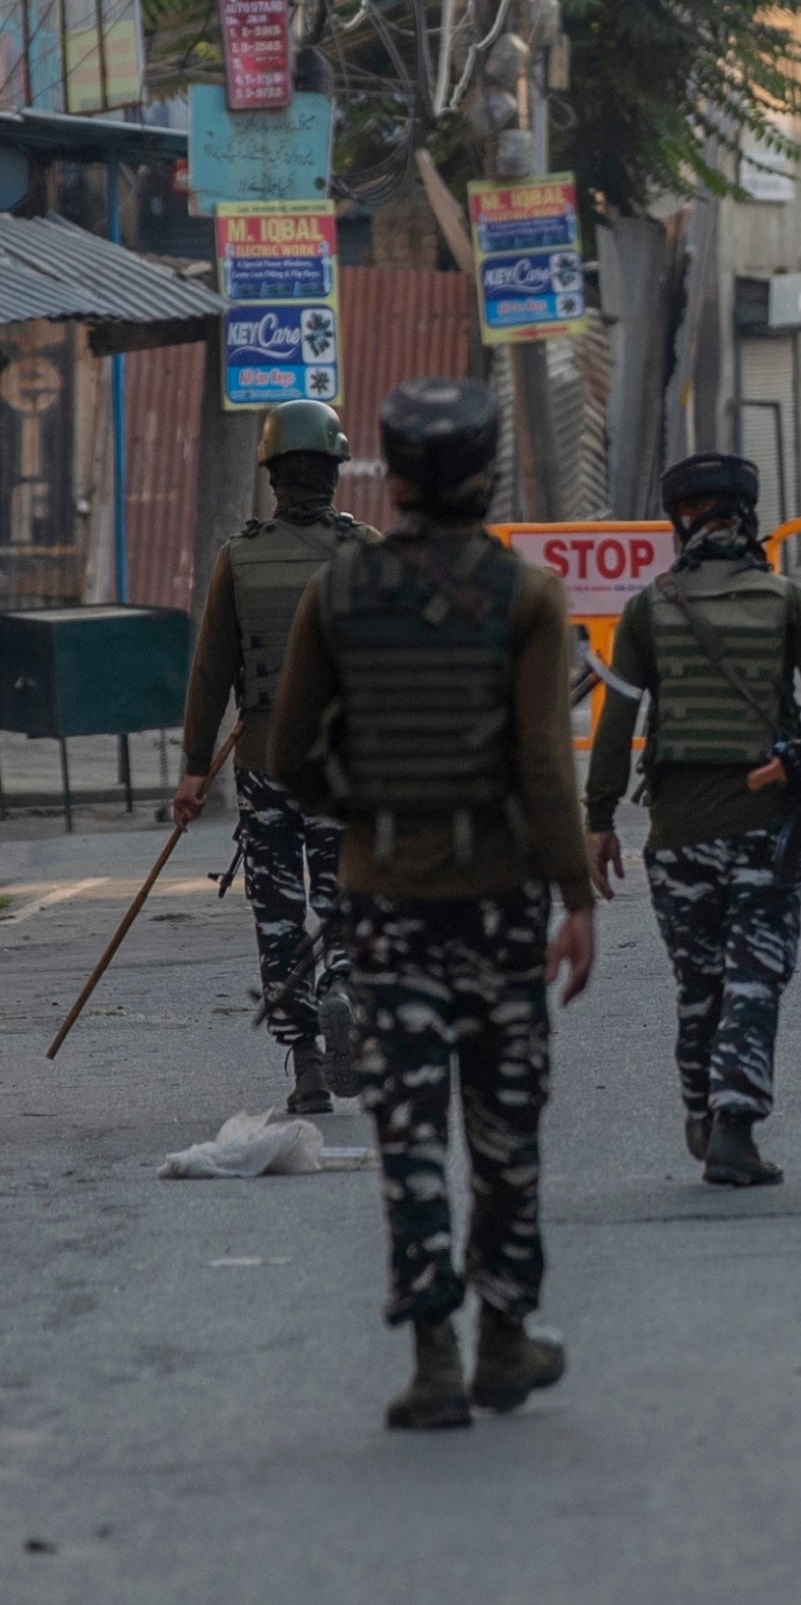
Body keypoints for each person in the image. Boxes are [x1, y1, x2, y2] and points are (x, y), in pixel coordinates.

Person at [270, 377, 597, 1431]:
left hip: (384, 910)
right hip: (500, 909)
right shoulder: (528, 594)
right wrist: (576, 897)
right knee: (504, 1128)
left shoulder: (342, 591)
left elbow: (290, 756)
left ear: (397, 475)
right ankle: (506, 1335)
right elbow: (548, 768)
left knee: (410, 1129)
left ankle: (434, 1355)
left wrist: (365, 821)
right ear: (487, 472)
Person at [583, 453, 801, 1188]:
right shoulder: (784, 599)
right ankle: (733, 1126)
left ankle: (703, 1108)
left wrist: (598, 819)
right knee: (753, 978)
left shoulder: (648, 606)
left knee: (700, 985)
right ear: (749, 519)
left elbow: (617, 719)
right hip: (767, 830)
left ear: (679, 522)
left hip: (676, 836)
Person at [172, 401, 379, 1114]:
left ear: (271, 475)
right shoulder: (368, 552)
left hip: (262, 762)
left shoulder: (240, 556)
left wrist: (194, 769)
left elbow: (212, 673)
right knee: (342, 893)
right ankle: (343, 981)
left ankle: (305, 1066)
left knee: (279, 912)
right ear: (333, 470)